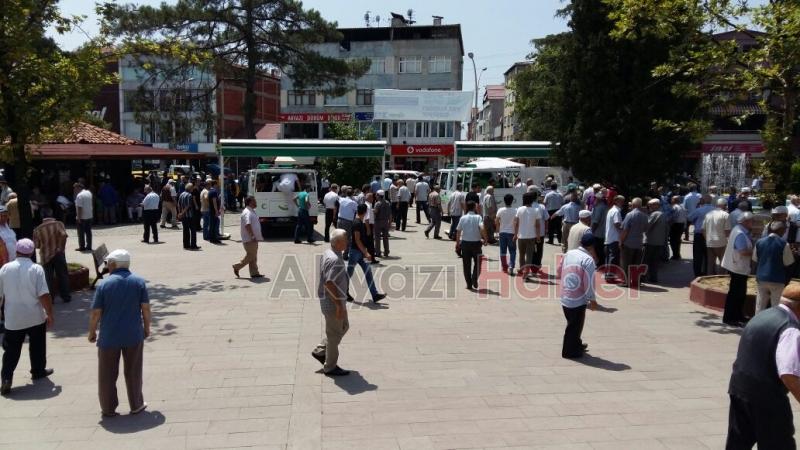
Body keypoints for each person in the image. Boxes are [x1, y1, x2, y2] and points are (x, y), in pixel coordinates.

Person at [726, 283, 800, 448]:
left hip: (739, 388)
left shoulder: (762, 315)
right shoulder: (790, 329)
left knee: (738, 444)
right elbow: (788, 373)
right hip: (767, 397)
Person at [88, 249, 150, 416]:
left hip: (109, 336)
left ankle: (108, 408)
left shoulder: (104, 285)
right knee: (134, 372)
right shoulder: (138, 282)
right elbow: (145, 309)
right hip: (133, 334)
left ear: (114, 264)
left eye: (108, 263)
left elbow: (96, 313)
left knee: (107, 374)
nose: (107, 266)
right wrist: (147, 328)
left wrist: (92, 332)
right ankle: (136, 404)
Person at [0, 239, 54, 395]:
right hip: (34, 316)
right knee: (37, 345)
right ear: (31, 253)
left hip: (13, 318)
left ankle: (6, 378)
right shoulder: (36, 269)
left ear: (16, 251)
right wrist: (49, 313)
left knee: (11, 350)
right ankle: (38, 371)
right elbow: (44, 295)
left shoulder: (4, 269)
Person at [311, 229, 352, 377]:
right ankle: (330, 366)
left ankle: (321, 350)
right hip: (333, 303)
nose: (347, 242)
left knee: (343, 327)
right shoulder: (334, 259)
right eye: (345, 240)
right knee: (334, 335)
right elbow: (329, 284)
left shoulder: (330, 252)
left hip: (335, 301)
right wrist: (339, 305)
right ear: (338, 243)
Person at [559, 232, 598, 359]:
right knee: (574, 326)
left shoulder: (569, 253)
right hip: (577, 299)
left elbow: (560, 270)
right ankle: (569, 351)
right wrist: (592, 299)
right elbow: (589, 282)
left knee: (574, 323)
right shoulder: (588, 260)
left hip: (565, 295)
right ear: (592, 247)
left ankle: (577, 344)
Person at [346, 204, 386, 303]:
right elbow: (357, 240)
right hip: (355, 252)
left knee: (368, 273)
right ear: (365, 212)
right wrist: (366, 253)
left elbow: (367, 235)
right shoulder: (356, 223)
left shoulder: (361, 222)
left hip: (360, 253)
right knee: (349, 273)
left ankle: (375, 295)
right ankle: (343, 292)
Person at [721, 212, 754, 326]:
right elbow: (743, 251)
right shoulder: (740, 233)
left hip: (737, 266)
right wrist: (755, 252)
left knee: (740, 293)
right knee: (736, 293)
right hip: (738, 267)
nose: (753, 223)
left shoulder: (738, 229)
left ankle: (738, 315)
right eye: (751, 221)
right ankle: (730, 317)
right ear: (745, 222)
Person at [753, 220, 794, 313]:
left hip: (761, 278)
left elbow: (755, 259)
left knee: (760, 306)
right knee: (776, 307)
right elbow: (788, 263)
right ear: (781, 231)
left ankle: (757, 325)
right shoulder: (784, 244)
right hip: (777, 279)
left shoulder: (759, 242)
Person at [33, 211, 71, 303]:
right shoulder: (58, 224)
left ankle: (50, 299)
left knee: (48, 278)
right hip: (58, 254)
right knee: (62, 275)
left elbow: (37, 245)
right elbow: (64, 235)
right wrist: (61, 248)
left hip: (45, 256)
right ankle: (65, 296)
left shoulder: (37, 229)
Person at [456, 201, 487, 291]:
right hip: (476, 244)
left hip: (465, 243)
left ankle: (469, 284)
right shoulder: (478, 217)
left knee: (466, 265)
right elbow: (482, 227)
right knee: (478, 263)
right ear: (474, 207)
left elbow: (458, 231)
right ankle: (474, 278)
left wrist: (457, 243)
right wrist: (485, 239)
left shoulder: (463, 218)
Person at [232, 196, 264, 279]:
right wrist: (252, 235)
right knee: (251, 255)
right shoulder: (247, 212)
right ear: (250, 202)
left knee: (253, 256)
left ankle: (254, 273)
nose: (256, 202)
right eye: (254, 201)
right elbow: (247, 224)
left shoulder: (251, 211)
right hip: (249, 238)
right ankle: (237, 266)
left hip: (253, 238)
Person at [619, 198, 649, 287]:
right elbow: (645, 229)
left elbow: (625, 230)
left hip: (628, 243)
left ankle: (626, 282)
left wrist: (621, 241)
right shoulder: (645, 216)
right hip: (639, 243)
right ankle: (636, 281)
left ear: (633, 205)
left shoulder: (630, 215)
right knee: (636, 264)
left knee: (626, 263)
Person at [514, 192, 544, 278]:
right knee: (529, 255)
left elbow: (516, 223)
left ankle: (522, 269)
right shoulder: (536, 210)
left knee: (522, 254)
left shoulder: (519, 209)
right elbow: (538, 225)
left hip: (521, 236)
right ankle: (526, 272)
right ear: (532, 200)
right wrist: (538, 236)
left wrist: (515, 234)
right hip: (531, 236)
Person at [688, 195, 715, 277]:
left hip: (699, 235)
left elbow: (689, 218)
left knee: (697, 256)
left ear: (702, 200)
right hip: (711, 235)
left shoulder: (699, 210)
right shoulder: (715, 210)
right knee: (709, 256)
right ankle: (707, 273)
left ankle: (697, 274)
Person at [703, 198, 731, 275]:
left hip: (710, 242)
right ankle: (720, 282)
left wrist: (707, 239)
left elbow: (703, 230)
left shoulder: (708, 214)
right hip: (721, 243)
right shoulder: (725, 215)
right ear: (725, 206)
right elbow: (727, 231)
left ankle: (709, 282)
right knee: (722, 264)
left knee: (710, 264)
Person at [644, 198, 669, 283]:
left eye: (650, 205)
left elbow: (647, 226)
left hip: (651, 241)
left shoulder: (655, 214)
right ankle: (653, 278)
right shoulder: (663, 214)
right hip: (660, 242)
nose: (649, 207)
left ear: (656, 205)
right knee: (655, 261)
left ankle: (643, 277)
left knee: (646, 260)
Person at [604, 195, 625, 281]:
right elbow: (617, 224)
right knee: (613, 257)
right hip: (614, 237)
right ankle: (610, 276)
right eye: (621, 201)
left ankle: (608, 275)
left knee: (609, 257)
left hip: (609, 237)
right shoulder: (616, 211)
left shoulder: (611, 210)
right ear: (616, 201)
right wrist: (624, 227)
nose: (623, 203)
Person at [496, 194, 518, 275]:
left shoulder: (500, 210)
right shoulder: (515, 210)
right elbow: (516, 222)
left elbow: (496, 220)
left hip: (502, 232)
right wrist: (516, 233)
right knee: (512, 250)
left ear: (504, 201)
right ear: (512, 201)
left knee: (503, 250)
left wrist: (498, 230)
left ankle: (504, 266)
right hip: (511, 233)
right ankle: (511, 266)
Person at [336, 189, 358, 260]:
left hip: (339, 220)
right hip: (348, 222)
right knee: (348, 238)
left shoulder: (342, 199)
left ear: (346, 193)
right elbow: (357, 210)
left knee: (338, 237)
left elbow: (337, 197)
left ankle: (337, 253)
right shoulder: (353, 202)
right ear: (353, 194)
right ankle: (345, 255)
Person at [177, 183, 199, 250]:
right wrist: (182, 213)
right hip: (189, 216)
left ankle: (186, 245)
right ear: (190, 188)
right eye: (192, 188)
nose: (193, 189)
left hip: (184, 217)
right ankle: (193, 245)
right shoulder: (189, 195)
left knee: (185, 231)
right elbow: (188, 206)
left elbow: (178, 204)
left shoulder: (181, 194)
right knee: (193, 231)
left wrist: (180, 213)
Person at [590, 190, 609, 266]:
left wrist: (591, 231)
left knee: (598, 249)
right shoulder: (605, 207)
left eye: (595, 198)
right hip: (603, 232)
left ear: (598, 199)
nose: (594, 199)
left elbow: (595, 221)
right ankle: (602, 263)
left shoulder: (599, 207)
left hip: (597, 232)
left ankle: (599, 264)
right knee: (601, 249)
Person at [74, 182, 93, 251]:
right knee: (88, 232)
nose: (74, 190)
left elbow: (79, 208)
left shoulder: (79, 195)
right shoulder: (89, 193)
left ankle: (82, 247)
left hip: (82, 217)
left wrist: (78, 217)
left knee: (81, 233)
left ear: (79, 188)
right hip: (89, 215)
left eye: (75, 188)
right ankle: (89, 246)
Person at [372, 190, 392, 257]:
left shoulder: (377, 203)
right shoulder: (387, 203)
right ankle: (386, 251)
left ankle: (378, 252)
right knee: (385, 237)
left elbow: (375, 212)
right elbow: (390, 214)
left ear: (378, 195)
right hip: (386, 221)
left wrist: (372, 211)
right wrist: (390, 222)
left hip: (378, 222)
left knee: (377, 238)